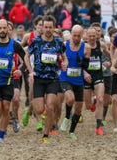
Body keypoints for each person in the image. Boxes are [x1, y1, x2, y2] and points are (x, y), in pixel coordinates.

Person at [24, 15, 68, 144]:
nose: (48, 29)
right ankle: (35, 112)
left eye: (50, 27)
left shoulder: (58, 42)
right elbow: (27, 57)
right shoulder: (36, 41)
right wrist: (31, 71)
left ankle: (46, 135)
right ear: (42, 27)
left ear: (54, 28)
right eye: (46, 27)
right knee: (39, 109)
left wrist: (65, 63)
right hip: (39, 78)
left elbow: (64, 57)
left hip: (53, 79)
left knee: (50, 107)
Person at [59, 25, 91, 139]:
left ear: (82, 35)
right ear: (71, 34)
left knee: (78, 108)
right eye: (74, 35)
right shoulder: (64, 45)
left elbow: (87, 66)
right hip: (65, 78)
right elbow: (58, 59)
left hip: (78, 80)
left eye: (78, 35)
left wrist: (81, 62)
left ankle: (72, 131)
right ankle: (67, 117)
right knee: (70, 98)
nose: (76, 38)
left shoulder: (86, 47)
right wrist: (61, 64)